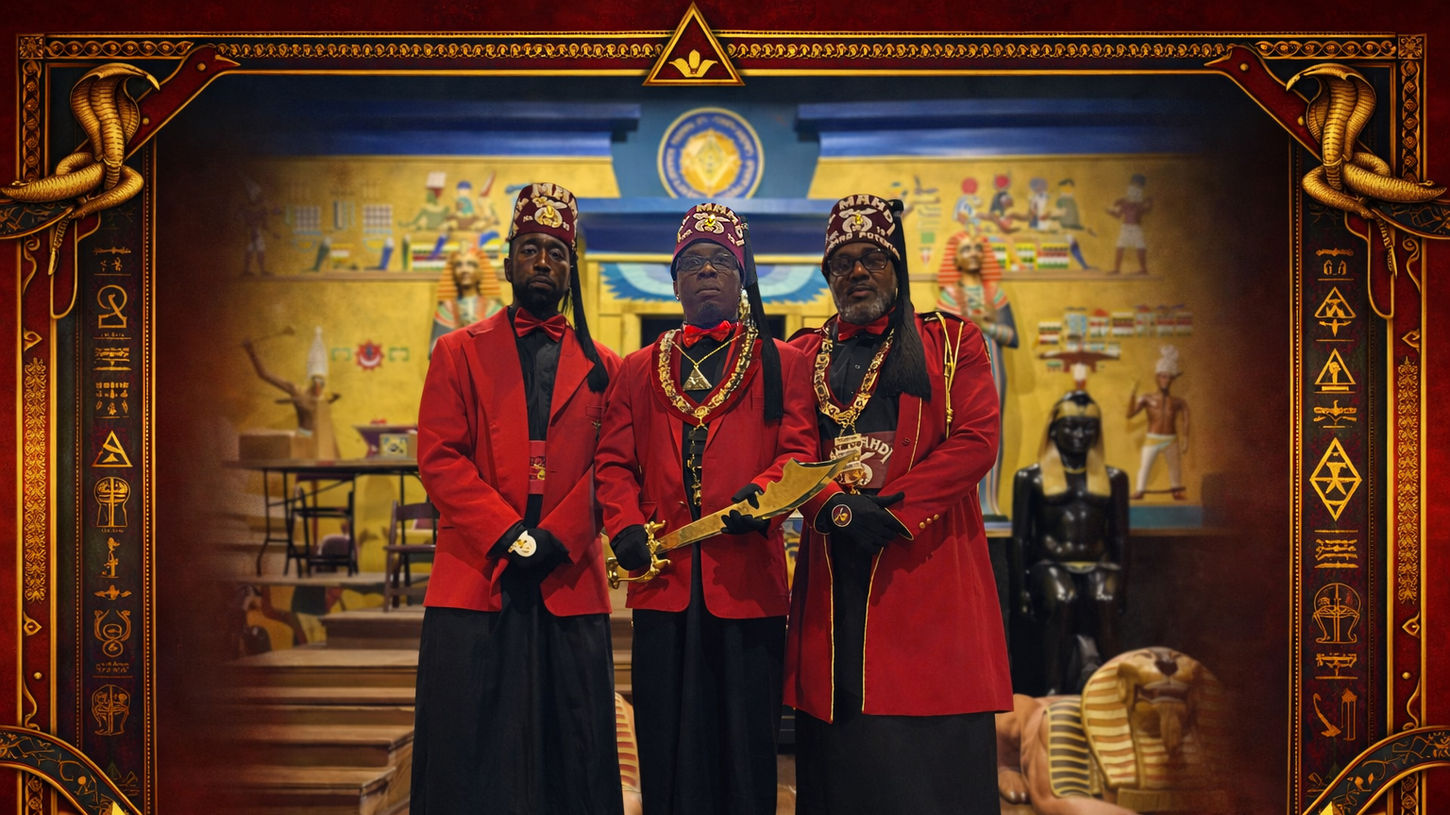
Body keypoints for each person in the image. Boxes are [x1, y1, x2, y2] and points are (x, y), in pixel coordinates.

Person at [785, 193, 1012, 814]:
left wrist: (892, 511)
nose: (857, 272)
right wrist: (835, 507)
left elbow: (977, 439)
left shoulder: (953, 341)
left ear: (898, 266)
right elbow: (790, 451)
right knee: (845, 750)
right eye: (842, 263)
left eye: (873, 259)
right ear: (827, 275)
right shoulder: (803, 353)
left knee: (925, 756)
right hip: (835, 570)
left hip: (926, 564)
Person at [594, 202, 818, 815]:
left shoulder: (785, 363)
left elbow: (800, 452)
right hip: (662, 583)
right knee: (665, 736)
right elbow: (613, 463)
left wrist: (764, 498)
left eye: (721, 260)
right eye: (692, 263)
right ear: (674, 282)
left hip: (748, 582)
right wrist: (623, 525)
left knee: (745, 743)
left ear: (743, 275)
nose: (707, 271)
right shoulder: (637, 369)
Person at [412, 182, 623, 814]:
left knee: (573, 750)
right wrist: (507, 533)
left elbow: (614, 464)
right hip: (477, 571)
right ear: (507, 264)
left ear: (571, 270)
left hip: (568, 572)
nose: (542, 262)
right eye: (530, 249)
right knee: (471, 747)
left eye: (557, 252)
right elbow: (439, 456)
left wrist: (558, 536)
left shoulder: (606, 365)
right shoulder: (456, 352)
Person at [1010, 390, 1130, 696]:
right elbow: (1021, 538)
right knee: (1063, 599)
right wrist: (1021, 589)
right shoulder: (1030, 478)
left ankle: (1114, 687)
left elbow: (1119, 536)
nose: (1080, 435)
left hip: (1099, 563)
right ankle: (1053, 688)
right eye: (1071, 426)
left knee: (1104, 599)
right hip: (1051, 563)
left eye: (1088, 427)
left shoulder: (1114, 478)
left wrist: (1123, 582)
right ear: (1054, 430)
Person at [937, 232, 1018, 519]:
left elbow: (1012, 337)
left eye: (977, 248)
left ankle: (989, 502)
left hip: (992, 363)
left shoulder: (994, 294)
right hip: (961, 367)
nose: (972, 253)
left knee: (992, 429)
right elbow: (942, 337)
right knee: (961, 431)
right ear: (956, 259)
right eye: (966, 249)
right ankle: (965, 504)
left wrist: (986, 326)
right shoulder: (949, 295)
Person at [241, 326, 340, 458]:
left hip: (323, 442)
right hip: (304, 439)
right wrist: (251, 352)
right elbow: (264, 374)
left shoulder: (325, 397)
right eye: (316, 381)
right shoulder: (297, 390)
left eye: (322, 382)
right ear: (311, 381)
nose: (319, 386)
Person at [1127, 344, 1190, 499]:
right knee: (1145, 466)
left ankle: (1176, 490)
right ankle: (1140, 490)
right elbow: (1129, 414)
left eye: (1168, 377)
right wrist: (1133, 393)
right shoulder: (1147, 398)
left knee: (1175, 467)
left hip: (1171, 439)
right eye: (1162, 376)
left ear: (1172, 379)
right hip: (1152, 438)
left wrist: (1186, 438)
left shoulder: (1178, 401)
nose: (1165, 380)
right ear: (1157, 377)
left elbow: (1186, 417)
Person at [428, 246, 500, 356]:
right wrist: (458, 336)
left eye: (471, 264)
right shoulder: (446, 309)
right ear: (453, 273)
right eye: (459, 265)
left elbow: (502, 347)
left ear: (481, 271)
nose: (464, 270)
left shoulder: (494, 308)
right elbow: (434, 351)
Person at [1106, 173, 1153, 274]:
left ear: (1141, 188)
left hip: (1136, 228)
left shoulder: (1139, 202)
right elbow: (1118, 215)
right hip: (1126, 228)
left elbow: (1146, 210)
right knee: (1120, 247)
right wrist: (1110, 212)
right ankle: (1117, 269)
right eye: (1133, 184)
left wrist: (1149, 203)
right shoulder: (1125, 201)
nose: (1135, 187)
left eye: (1138, 185)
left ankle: (1143, 269)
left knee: (1140, 247)